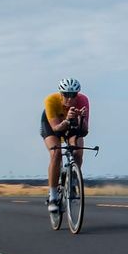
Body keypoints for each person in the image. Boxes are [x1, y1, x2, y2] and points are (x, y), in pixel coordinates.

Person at [40, 78, 90, 212]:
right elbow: (56, 128)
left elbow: (84, 131)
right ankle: (53, 196)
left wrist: (81, 118)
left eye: (73, 95)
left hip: (72, 124)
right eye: (66, 95)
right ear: (60, 94)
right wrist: (67, 120)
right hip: (53, 125)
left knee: (78, 151)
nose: (70, 98)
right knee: (55, 153)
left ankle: (73, 181)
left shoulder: (83, 100)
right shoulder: (51, 100)